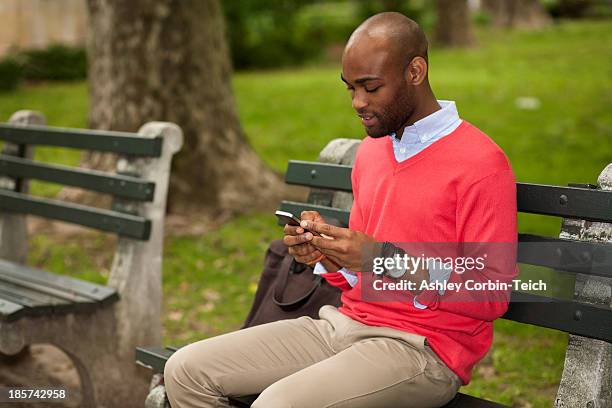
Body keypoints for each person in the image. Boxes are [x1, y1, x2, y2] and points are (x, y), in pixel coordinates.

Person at [164, 12, 518, 408]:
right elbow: (359, 274)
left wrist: (382, 259)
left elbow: (491, 292)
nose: (358, 102)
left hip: (422, 350)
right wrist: (329, 253)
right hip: (342, 327)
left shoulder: (481, 163)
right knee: (185, 370)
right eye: (350, 88)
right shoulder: (373, 151)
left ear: (416, 71)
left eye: (371, 87)